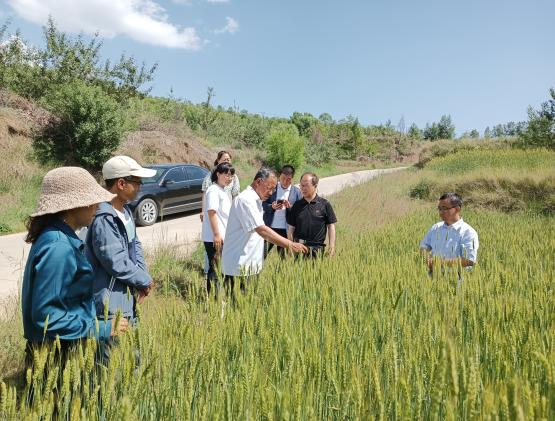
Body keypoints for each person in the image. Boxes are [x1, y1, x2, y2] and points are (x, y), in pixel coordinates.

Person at [22, 167, 128, 365]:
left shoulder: (57, 237)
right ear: (72, 206)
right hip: (58, 356)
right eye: (91, 200)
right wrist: (103, 328)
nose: (97, 206)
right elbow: (47, 316)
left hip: (63, 349)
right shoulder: (58, 246)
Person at [85, 156, 155, 360]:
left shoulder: (125, 212)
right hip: (110, 299)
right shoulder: (104, 218)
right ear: (121, 184)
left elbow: (135, 246)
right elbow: (115, 261)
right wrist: (144, 280)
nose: (140, 187)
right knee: (111, 360)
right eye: (137, 182)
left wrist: (142, 277)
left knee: (132, 355)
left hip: (126, 295)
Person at [221, 167, 308, 295]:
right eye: (269, 188)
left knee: (247, 309)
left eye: (273, 189)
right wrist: (290, 244)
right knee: (237, 310)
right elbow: (262, 230)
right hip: (238, 268)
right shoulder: (245, 200)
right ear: (258, 182)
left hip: (250, 266)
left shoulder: (256, 201)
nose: (272, 193)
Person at [420, 192, 479, 275]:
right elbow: (424, 247)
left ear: (457, 209)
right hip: (432, 277)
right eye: (439, 209)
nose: (441, 212)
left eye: (444, 208)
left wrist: (439, 262)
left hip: (458, 280)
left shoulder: (468, 232)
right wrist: (427, 260)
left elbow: (469, 260)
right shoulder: (436, 228)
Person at [201, 163, 235, 296]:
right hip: (215, 238)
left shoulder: (222, 190)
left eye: (231, 175)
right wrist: (216, 234)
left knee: (220, 268)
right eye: (226, 174)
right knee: (215, 269)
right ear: (218, 174)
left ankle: (219, 297)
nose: (229, 177)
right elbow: (211, 212)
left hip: (222, 237)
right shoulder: (213, 190)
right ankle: (213, 300)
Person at [287, 172, 337, 259]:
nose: (303, 188)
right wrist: (290, 247)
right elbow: (291, 228)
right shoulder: (297, 205)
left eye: (306, 185)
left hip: (317, 250)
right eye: (301, 185)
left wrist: (331, 247)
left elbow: (331, 226)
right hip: (299, 248)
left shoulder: (324, 204)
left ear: (315, 185)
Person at [262, 165, 302, 258]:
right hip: (269, 228)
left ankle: (279, 273)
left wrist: (290, 207)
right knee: (261, 256)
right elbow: (262, 204)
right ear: (279, 176)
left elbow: (300, 211)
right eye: (283, 178)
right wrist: (272, 206)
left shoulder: (296, 192)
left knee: (283, 259)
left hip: (286, 231)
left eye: (288, 179)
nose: (285, 181)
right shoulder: (272, 188)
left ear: (292, 178)